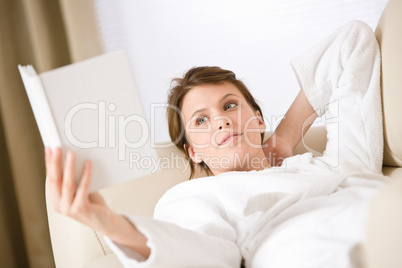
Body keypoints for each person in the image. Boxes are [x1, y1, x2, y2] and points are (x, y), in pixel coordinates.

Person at [45, 20, 389, 267]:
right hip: (321, 249)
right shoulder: (191, 197)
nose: (222, 120)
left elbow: (353, 44)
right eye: (201, 120)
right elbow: (198, 256)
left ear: (257, 118)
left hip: (384, 213)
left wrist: (284, 137)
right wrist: (107, 221)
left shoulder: (334, 164)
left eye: (229, 105)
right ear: (194, 151)